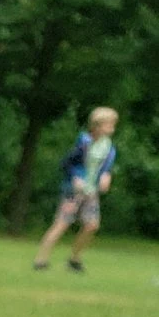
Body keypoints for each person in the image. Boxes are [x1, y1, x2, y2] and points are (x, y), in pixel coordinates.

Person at [32, 107, 119, 270]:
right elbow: (66, 163)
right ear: (97, 126)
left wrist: (106, 177)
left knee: (92, 225)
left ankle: (74, 260)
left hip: (91, 191)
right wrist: (75, 177)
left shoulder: (109, 148)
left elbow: (106, 168)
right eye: (109, 124)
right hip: (74, 191)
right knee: (62, 223)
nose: (112, 128)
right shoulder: (84, 143)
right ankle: (40, 260)